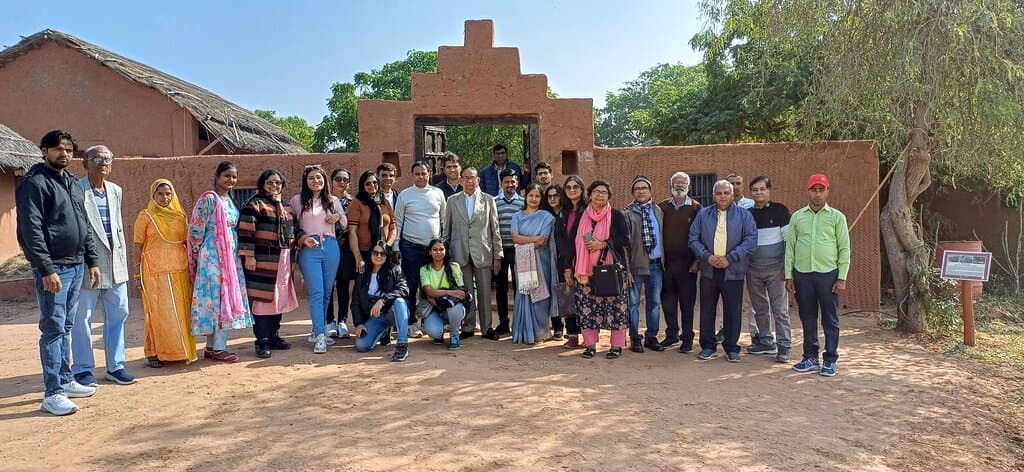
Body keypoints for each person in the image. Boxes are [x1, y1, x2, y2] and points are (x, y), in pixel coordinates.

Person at [16, 130, 102, 415]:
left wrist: (92, 261)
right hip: (55, 269)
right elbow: (31, 231)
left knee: (65, 327)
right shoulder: (34, 183)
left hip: (76, 265)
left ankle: (66, 381)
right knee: (53, 330)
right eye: (57, 149)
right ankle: (52, 393)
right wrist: (46, 268)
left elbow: (84, 224)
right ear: (44, 151)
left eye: (68, 150)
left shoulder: (72, 184)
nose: (64, 154)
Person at [71, 145, 135, 386]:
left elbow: (116, 228)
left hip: (115, 262)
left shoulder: (116, 190)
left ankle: (116, 366)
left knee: (119, 313)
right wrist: (87, 260)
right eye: (97, 158)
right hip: (89, 263)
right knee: (82, 317)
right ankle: (83, 368)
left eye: (107, 158)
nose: (103, 162)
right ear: (86, 163)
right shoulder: (76, 189)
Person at [786, 174, 850, 377]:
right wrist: (789, 275)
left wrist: (842, 277)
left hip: (828, 275)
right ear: (808, 191)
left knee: (830, 319)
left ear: (827, 191)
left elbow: (844, 249)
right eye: (814, 190)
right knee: (807, 317)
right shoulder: (797, 217)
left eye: (821, 190)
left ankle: (830, 359)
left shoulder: (837, 217)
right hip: (802, 275)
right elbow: (791, 248)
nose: (818, 194)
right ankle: (810, 357)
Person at [188, 161, 252, 363]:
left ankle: (211, 347)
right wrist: (198, 254)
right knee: (216, 300)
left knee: (222, 299)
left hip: (229, 257)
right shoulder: (209, 199)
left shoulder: (229, 201)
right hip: (213, 257)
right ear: (217, 176)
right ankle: (219, 348)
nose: (231, 180)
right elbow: (196, 228)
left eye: (234, 177)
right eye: (227, 176)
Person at [689, 180, 757, 363]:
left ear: (732, 194)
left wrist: (730, 258)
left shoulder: (744, 215)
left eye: (726, 193)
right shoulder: (703, 214)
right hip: (709, 270)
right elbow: (693, 238)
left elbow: (750, 240)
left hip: (733, 270)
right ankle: (708, 346)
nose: (722, 196)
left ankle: (732, 347)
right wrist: (707, 256)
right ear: (713, 196)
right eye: (719, 193)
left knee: (733, 310)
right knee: (707, 309)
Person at [134, 179, 197, 368]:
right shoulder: (146, 216)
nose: (165, 198)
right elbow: (138, 245)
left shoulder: (180, 216)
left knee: (180, 312)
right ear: (153, 196)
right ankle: (154, 353)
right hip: (155, 272)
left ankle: (180, 351)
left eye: (168, 194)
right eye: (160, 194)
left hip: (179, 270)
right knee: (157, 313)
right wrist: (137, 274)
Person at [239, 169, 299, 359]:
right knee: (262, 300)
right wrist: (249, 256)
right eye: (270, 182)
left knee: (278, 298)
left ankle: (274, 335)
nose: (274, 186)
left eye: (278, 183)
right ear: (262, 184)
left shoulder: (287, 207)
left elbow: (294, 231)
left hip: (283, 260)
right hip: (263, 259)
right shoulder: (255, 205)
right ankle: (262, 340)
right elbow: (246, 231)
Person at [290, 165, 346, 354]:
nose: (316, 181)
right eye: (312, 178)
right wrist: (302, 238)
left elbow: (345, 223)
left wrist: (338, 216)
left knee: (327, 292)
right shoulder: (298, 200)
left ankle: (317, 329)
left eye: (320, 178)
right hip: (309, 249)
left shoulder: (333, 200)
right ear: (306, 181)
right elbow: (291, 223)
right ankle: (321, 336)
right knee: (316, 292)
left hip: (330, 247)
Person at [443, 167, 503, 340]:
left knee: (485, 292)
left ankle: (487, 327)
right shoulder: (452, 201)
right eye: (466, 178)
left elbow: (495, 229)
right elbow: (447, 228)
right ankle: (468, 326)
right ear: (461, 180)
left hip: (483, 252)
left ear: (478, 180)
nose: (469, 181)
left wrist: (497, 255)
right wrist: (446, 253)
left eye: (473, 178)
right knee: (466, 291)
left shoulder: (488, 200)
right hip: (459, 251)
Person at [574, 180, 631, 359]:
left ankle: (616, 346)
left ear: (609, 196)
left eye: (604, 192)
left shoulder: (616, 215)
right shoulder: (581, 216)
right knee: (587, 308)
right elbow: (572, 242)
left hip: (611, 270)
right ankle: (590, 345)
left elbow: (625, 239)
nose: (600, 195)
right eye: (596, 192)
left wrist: (603, 244)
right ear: (590, 195)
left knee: (616, 309)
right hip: (586, 272)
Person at [394, 161, 447, 338]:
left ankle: (426, 320)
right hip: (410, 246)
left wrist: (443, 244)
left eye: (424, 173)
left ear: (429, 174)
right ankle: (410, 323)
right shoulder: (405, 195)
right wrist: (396, 245)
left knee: (429, 286)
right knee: (411, 285)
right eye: (417, 174)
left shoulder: (438, 193)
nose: (421, 176)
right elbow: (398, 221)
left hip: (433, 249)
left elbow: (444, 220)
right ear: (412, 175)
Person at [745, 176, 793, 362]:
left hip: (776, 270)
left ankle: (784, 346)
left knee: (779, 309)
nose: (759, 193)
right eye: (755, 190)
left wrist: (786, 267)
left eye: (762, 189)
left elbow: (789, 240)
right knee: (760, 307)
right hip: (753, 269)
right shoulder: (747, 214)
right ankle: (765, 341)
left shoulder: (780, 210)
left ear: (769, 190)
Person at [657, 172, 702, 353]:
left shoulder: (697, 208)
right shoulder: (661, 207)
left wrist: (697, 260)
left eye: (683, 183)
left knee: (687, 303)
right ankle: (671, 335)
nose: (680, 186)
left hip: (688, 265)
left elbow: (703, 236)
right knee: (668, 302)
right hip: (666, 264)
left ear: (689, 187)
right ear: (671, 186)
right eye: (676, 183)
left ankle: (688, 338)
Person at [623, 175, 666, 354]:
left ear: (650, 191)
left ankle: (651, 336)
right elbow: (624, 245)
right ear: (633, 193)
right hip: (635, 266)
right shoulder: (627, 214)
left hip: (656, 265)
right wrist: (626, 269)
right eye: (637, 189)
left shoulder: (658, 211)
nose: (641, 191)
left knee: (654, 302)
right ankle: (635, 338)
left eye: (644, 188)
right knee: (632, 303)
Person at [511, 184, 558, 344]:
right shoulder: (517, 216)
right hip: (523, 261)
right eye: (531, 195)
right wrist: (533, 239)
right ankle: (523, 332)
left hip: (541, 261)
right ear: (525, 196)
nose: (533, 199)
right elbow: (515, 238)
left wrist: (525, 240)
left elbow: (543, 241)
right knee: (524, 293)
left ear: (541, 198)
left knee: (541, 295)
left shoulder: (546, 216)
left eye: (537, 196)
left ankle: (541, 331)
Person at [352, 241, 411, 362]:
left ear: (387, 255)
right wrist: (358, 323)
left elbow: (404, 289)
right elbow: (355, 301)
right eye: (375, 253)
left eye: (382, 253)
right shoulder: (363, 273)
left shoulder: (395, 269)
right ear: (370, 254)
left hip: (393, 312)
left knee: (399, 302)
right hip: (376, 317)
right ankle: (384, 332)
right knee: (361, 345)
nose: (378, 256)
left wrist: (383, 300)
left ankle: (402, 345)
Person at [554, 175, 587, 348]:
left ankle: (589, 335)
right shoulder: (563, 212)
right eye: (568, 188)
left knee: (587, 299)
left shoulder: (588, 210)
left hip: (585, 261)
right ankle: (573, 335)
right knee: (568, 297)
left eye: (576, 187)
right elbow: (561, 239)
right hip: (566, 260)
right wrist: (567, 265)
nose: (572, 190)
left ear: (582, 190)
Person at [419, 238, 468, 350]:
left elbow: (459, 293)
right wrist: (449, 292)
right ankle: (439, 334)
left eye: (441, 249)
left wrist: (438, 296)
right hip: (434, 309)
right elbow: (429, 291)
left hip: (451, 307)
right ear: (429, 252)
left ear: (446, 251)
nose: (438, 252)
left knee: (453, 307)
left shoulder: (454, 267)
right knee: (434, 332)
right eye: (435, 249)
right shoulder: (425, 269)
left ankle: (454, 334)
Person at [494, 168, 525, 337]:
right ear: (501, 183)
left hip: (518, 250)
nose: (510, 185)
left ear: (517, 183)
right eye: (507, 182)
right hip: (500, 250)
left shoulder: (523, 203)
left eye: (513, 182)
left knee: (519, 287)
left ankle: (519, 322)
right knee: (500, 288)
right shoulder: (493, 202)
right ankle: (503, 322)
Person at [326, 167, 355, 339]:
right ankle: (330, 321)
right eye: (338, 179)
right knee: (328, 286)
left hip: (345, 249)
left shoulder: (353, 202)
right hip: (328, 247)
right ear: (331, 181)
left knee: (343, 286)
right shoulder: (324, 201)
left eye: (345, 180)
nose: (342, 183)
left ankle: (342, 320)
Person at [348, 170, 397, 270]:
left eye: (375, 182)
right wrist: (358, 257)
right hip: (365, 252)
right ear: (363, 186)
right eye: (368, 183)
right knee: (364, 284)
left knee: (384, 283)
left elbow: (393, 228)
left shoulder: (385, 202)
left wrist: (387, 245)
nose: (372, 185)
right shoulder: (357, 203)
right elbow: (352, 231)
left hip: (384, 251)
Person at [544, 184, 570, 340]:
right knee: (553, 290)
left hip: (565, 257)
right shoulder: (544, 215)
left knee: (567, 291)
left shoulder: (567, 214)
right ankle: (557, 326)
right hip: (548, 257)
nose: (553, 199)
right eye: (549, 196)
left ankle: (571, 327)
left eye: (556, 195)